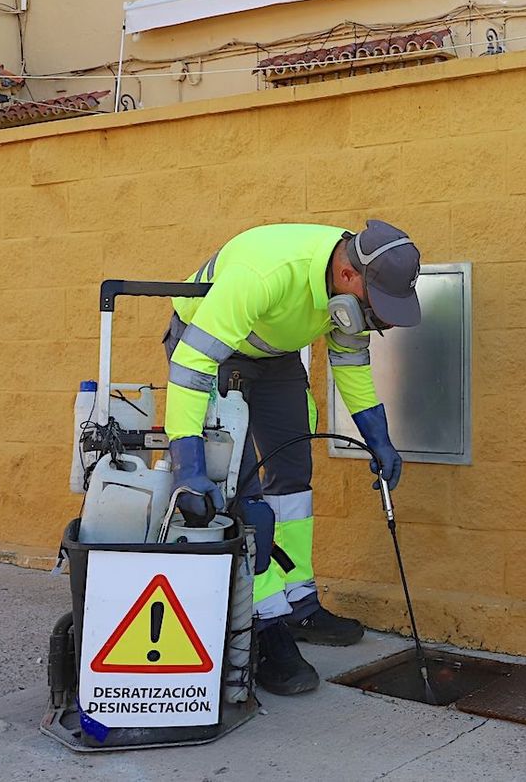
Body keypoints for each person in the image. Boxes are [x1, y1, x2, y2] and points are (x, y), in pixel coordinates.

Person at [161, 221, 421, 694]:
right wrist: (189, 465)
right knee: (244, 494)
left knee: (294, 478)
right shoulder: (265, 274)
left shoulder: (344, 295)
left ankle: (298, 602)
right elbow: (192, 364)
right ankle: (264, 628)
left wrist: (379, 438)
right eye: (375, 306)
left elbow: (349, 363)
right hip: (209, 350)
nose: (376, 318)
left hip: (272, 353)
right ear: (347, 275)